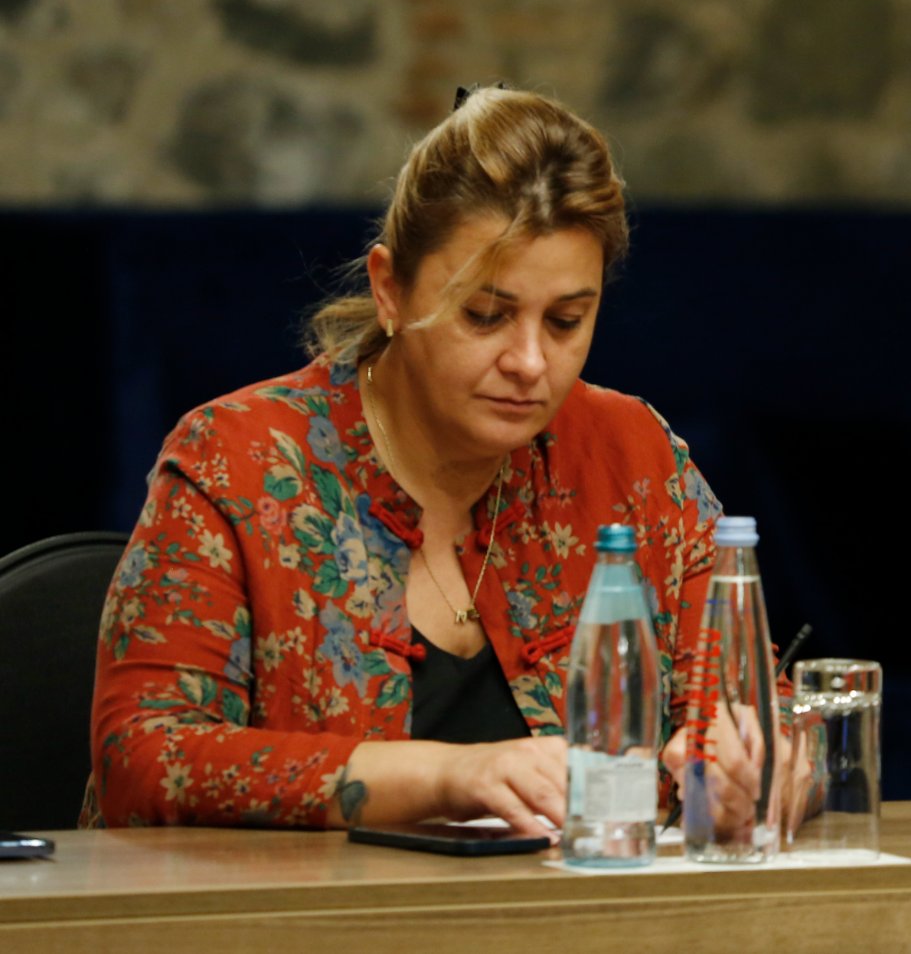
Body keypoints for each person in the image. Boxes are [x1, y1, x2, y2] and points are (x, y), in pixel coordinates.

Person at [88, 85, 770, 835]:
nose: (530, 362)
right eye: (485, 315)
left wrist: (755, 771)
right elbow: (145, 759)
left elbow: (746, 705)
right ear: (389, 289)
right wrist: (451, 776)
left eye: (567, 321)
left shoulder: (631, 455)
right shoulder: (239, 462)